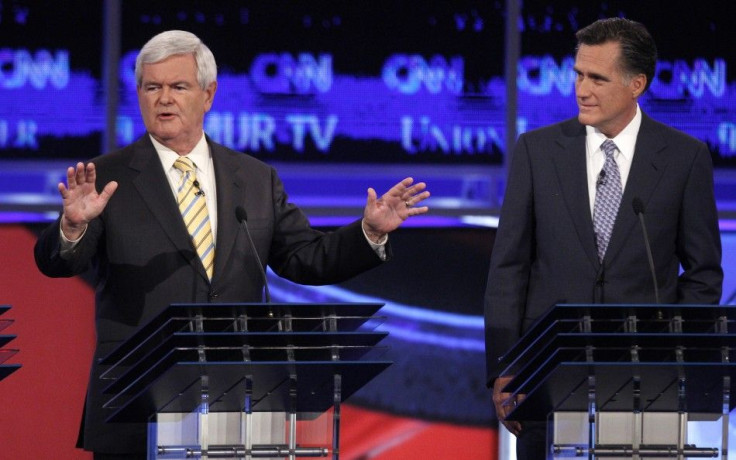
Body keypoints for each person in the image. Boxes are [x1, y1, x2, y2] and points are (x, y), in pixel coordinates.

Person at [34, 30, 430, 459]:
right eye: (152, 87)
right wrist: (71, 226)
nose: (164, 98)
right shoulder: (106, 178)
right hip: (137, 409)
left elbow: (304, 259)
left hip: (236, 406)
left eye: (178, 86)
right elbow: (58, 263)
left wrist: (368, 232)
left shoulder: (254, 179)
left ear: (208, 94)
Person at [484, 17, 722, 460]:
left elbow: (704, 273)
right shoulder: (537, 152)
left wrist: (673, 352)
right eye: (578, 74)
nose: (581, 89)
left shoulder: (685, 159)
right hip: (546, 378)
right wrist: (503, 368)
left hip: (645, 384)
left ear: (636, 84)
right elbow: (508, 270)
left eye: (597, 77)